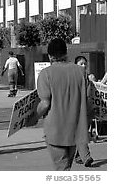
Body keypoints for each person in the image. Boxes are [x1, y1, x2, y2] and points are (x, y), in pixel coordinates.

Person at [36, 38, 89, 171]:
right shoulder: (81, 72)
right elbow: (88, 100)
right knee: (66, 168)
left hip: (55, 132)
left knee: (62, 170)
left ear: (50, 56)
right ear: (66, 53)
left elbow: (44, 103)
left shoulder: (45, 74)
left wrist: (32, 117)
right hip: (76, 131)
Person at [73, 56, 94, 167]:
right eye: (81, 63)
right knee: (82, 134)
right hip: (78, 110)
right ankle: (86, 156)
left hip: (88, 110)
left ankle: (78, 156)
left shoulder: (89, 78)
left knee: (83, 132)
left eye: (85, 63)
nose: (84, 65)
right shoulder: (73, 78)